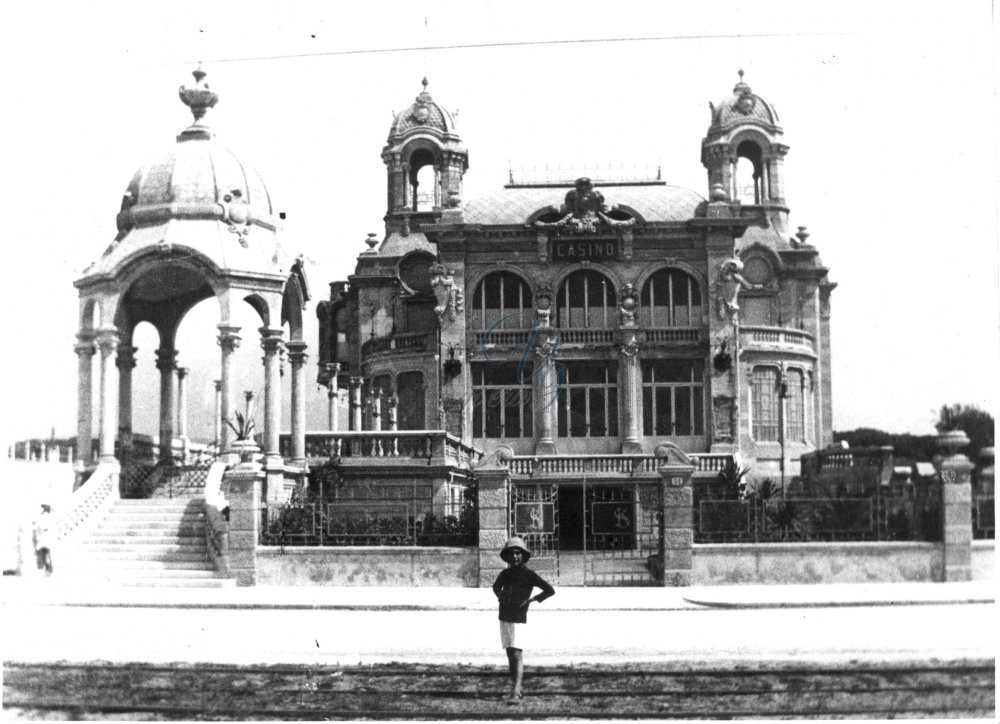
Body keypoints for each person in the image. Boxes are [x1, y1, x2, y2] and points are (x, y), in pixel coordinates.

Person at [492, 537, 555, 703]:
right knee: (509, 652)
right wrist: (501, 597)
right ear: (507, 556)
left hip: (518, 616)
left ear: (523, 555)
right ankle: (516, 687)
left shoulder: (529, 575)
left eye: (518, 553)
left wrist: (531, 600)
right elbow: (495, 587)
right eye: (512, 553)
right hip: (504, 615)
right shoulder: (505, 573)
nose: (515, 557)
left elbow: (549, 590)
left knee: (516, 652)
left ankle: (516, 689)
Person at [33, 504, 54, 575]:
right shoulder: (42, 516)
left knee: (45, 554)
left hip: (44, 538)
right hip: (42, 538)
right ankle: (47, 569)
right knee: (44, 554)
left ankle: (48, 569)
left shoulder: (46, 517)